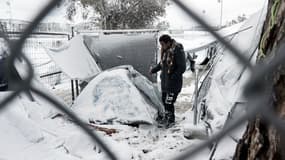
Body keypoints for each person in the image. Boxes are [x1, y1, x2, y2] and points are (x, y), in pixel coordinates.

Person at [150, 34, 186, 128]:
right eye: (160, 44)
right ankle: (167, 118)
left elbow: (182, 67)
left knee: (169, 102)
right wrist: (153, 70)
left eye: (162, 44)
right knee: (164, 101)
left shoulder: (177, 50)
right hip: (165, 84)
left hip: (173, 84)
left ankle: (171, 121)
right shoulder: (166, 51)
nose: (162, 46)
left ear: (168, 42)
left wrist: (172, 77)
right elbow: (162, 64)